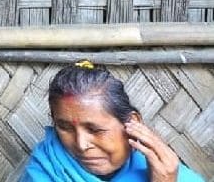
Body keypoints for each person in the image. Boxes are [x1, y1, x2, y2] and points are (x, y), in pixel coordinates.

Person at [23, 60, 205, 182]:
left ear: (132, 124)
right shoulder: (46, 170)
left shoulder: (168, 174)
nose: (81, 145)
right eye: (64, 128)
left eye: (95, 130)